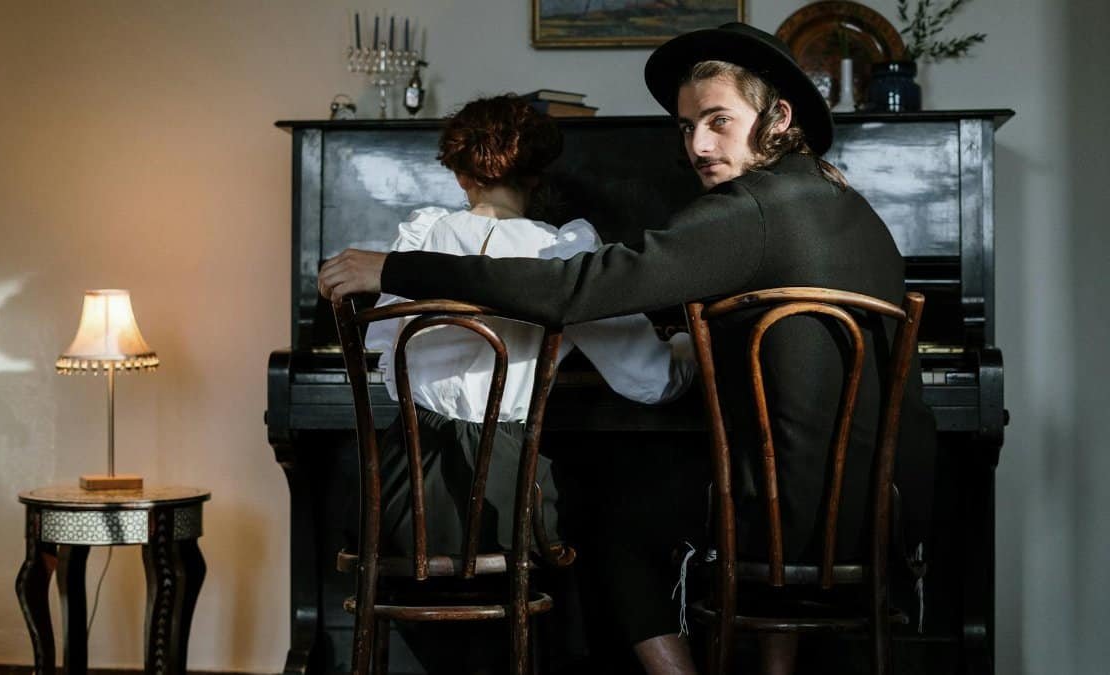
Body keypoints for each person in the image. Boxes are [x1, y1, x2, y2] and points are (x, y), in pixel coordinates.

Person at [321, 23, 938, 675]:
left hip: (791, 517)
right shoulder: (848, 203)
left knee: (604, 507)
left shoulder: (745, 210)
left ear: (778, 116)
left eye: (718, 121)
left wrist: (397, 268)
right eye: (685, 126)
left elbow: (573, 289)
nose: (697, 144)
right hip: (880, 506)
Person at [361, 94, 696, 673]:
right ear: (539, 176)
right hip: (504, 500)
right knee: (594, 512)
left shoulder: (417, 243)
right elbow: (649, 382)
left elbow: (385, 360)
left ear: (460, 172)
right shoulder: (561, 253)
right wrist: (689, 341)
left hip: (398, 496)